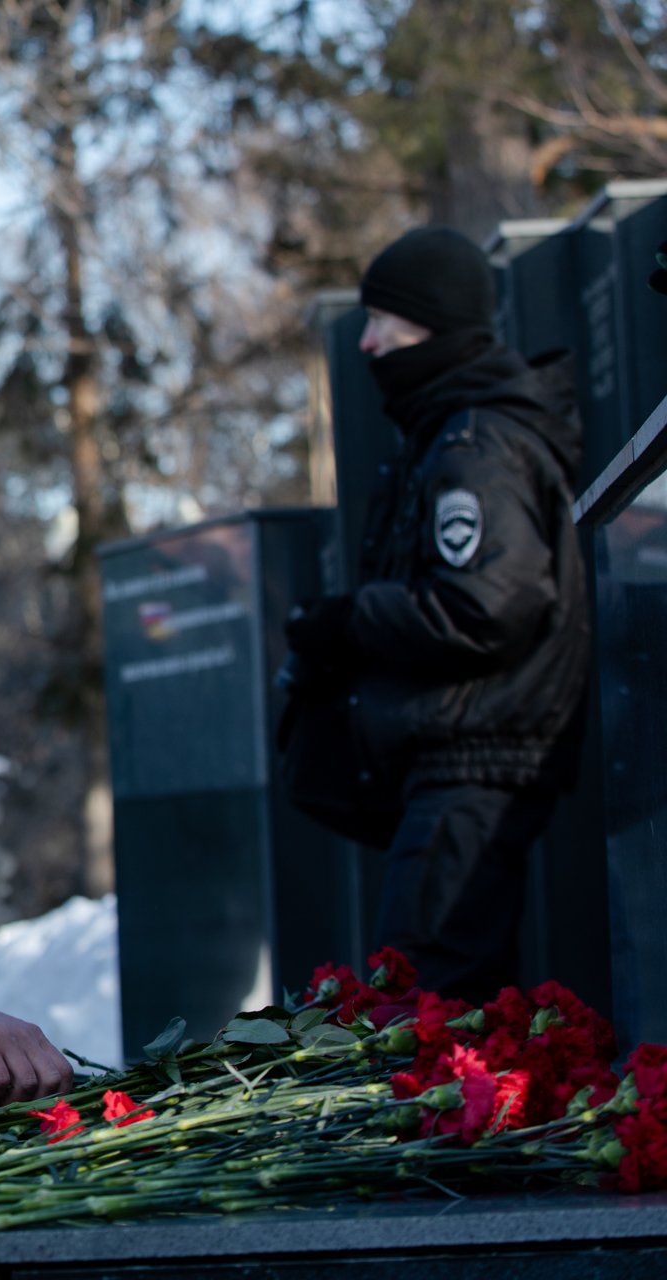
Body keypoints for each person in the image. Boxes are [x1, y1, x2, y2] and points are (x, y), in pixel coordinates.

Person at [282, 225, 589, 1005]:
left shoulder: (475, 443)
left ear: (435, 325)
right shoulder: (456, 434)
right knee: (437, 1003)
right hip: (465, 766)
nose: (369, 343)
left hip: (475, 767)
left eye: (386, 322)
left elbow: (488, 603)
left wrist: (350, 623)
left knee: (427, 1009)